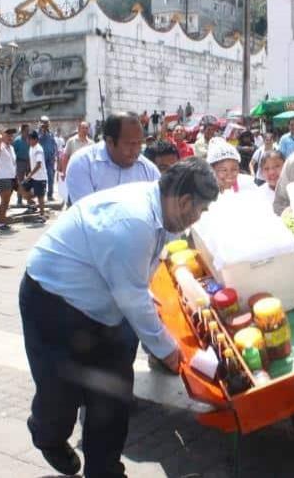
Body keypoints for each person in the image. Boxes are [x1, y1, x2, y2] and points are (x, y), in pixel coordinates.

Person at [20, 159, 219, 477]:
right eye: (200, 210)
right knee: (59, 395)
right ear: (184, 201)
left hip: (106, 307)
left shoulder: (163, 213)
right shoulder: (132, 219)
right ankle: (47, 435)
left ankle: (104, 470)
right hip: (53, 303)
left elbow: (142, 272)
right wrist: (167, 349)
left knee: (113, 394)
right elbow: (133, 298)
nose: (198, 218)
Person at [66, 112, 159, 205]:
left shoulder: (150, 171)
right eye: (130, 144)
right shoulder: (82, 164)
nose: (136, 150)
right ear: (110, 142)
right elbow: (87, 214)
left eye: (139, 143)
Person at [20, 131, 48, 223]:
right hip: (33, 176)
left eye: (30, 139)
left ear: (35, 139)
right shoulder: (31, 148)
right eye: (28, 139)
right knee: (22, 188)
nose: (28, 141)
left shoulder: (38, 149)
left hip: (40, 177)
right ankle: (33, 204)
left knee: (40, 196)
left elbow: (39, 165)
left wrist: (29, 175)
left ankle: (42, 215)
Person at [0, 128, 17, 231]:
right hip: (2, 177)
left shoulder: (11, 147)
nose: (10, 137)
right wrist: (0, 137)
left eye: (11, 135)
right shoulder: (1, 146)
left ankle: (3, 221)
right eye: (8, 135)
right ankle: (1, 223)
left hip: (11, 177)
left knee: (7, 202)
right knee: (4, 201)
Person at [38, 116, 58, 201]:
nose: (46, 125)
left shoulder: (51, 134)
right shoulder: (37, 133)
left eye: (47, 123)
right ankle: (41, 195)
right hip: (41, 159)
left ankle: (50, 195)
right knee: (41, 178)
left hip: (50, 159)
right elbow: (37, 142)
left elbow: (53, 144)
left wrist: (55, 156)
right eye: (44, 123)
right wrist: (42, 132)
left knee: (50, 176)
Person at [13, 123, 30, 206]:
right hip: (20, 163)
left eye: (28, 131)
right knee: (20, 182)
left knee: (29, 181)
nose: (28, 132)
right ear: (22, 131)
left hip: (28, 162)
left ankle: (28, 200)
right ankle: (19, 201)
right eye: (26, 131)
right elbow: (13, 153)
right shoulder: (17, 141)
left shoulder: (29, 140)